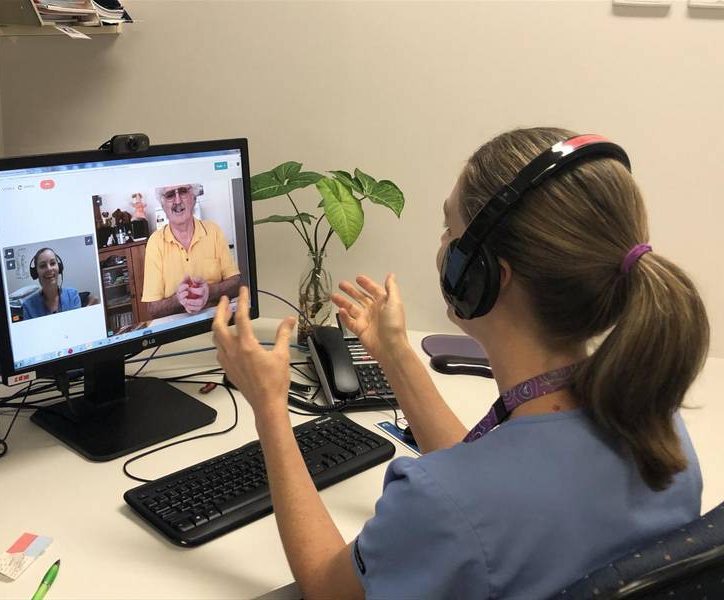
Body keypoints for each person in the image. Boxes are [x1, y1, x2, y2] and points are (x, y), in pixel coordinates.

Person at [212, 127, 709, 599]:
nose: (442, 246)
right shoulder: (660, 432)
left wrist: (269, 406)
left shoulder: (441, 503)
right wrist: (395, 355)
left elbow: (328, 587)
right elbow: (481, 485)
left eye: (449, 230)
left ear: (486, 275)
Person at [141, 183, 240, 319]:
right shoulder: (155, 242)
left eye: (182, 191)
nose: (177, 200)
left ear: (193, 197)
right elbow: (152, 309)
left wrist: (209, 291)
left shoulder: (213, 231)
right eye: (170, 195)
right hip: (177, 331)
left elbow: (236, 284)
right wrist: (178, 299)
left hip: (216, 322)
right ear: (163, 205)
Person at [22, 248, 82, 320]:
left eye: (53, 263)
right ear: (36, 272)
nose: (49, 269)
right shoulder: (28, 306)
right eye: (43, 266)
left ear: (59, 267)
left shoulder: (72, 295)